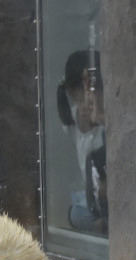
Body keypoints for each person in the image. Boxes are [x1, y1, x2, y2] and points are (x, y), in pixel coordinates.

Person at [57, 50, 108, 235]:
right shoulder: (70, 119)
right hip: (93, 196)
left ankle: (103, 224)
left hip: (111, 192)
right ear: (71, 91)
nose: (89, 95)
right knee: (75, 211)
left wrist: (101, 117)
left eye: (94, 87)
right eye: (83, 89)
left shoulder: (108, 110)